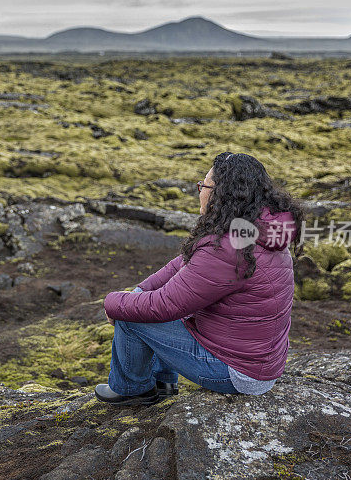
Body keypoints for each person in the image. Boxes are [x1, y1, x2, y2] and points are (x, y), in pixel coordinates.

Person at [95, 152, 305, 405]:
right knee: (149, 304)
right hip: (254, 362)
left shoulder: (228, 248)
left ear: (221, 193)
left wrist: (114, 303)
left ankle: (132, 389)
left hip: (237, 372)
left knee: (132, 317)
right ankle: (163, 382)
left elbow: (165, 305)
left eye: (203, 186)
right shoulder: (255, 231)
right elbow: (183, 264)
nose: (199, 191)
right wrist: (140, 290)